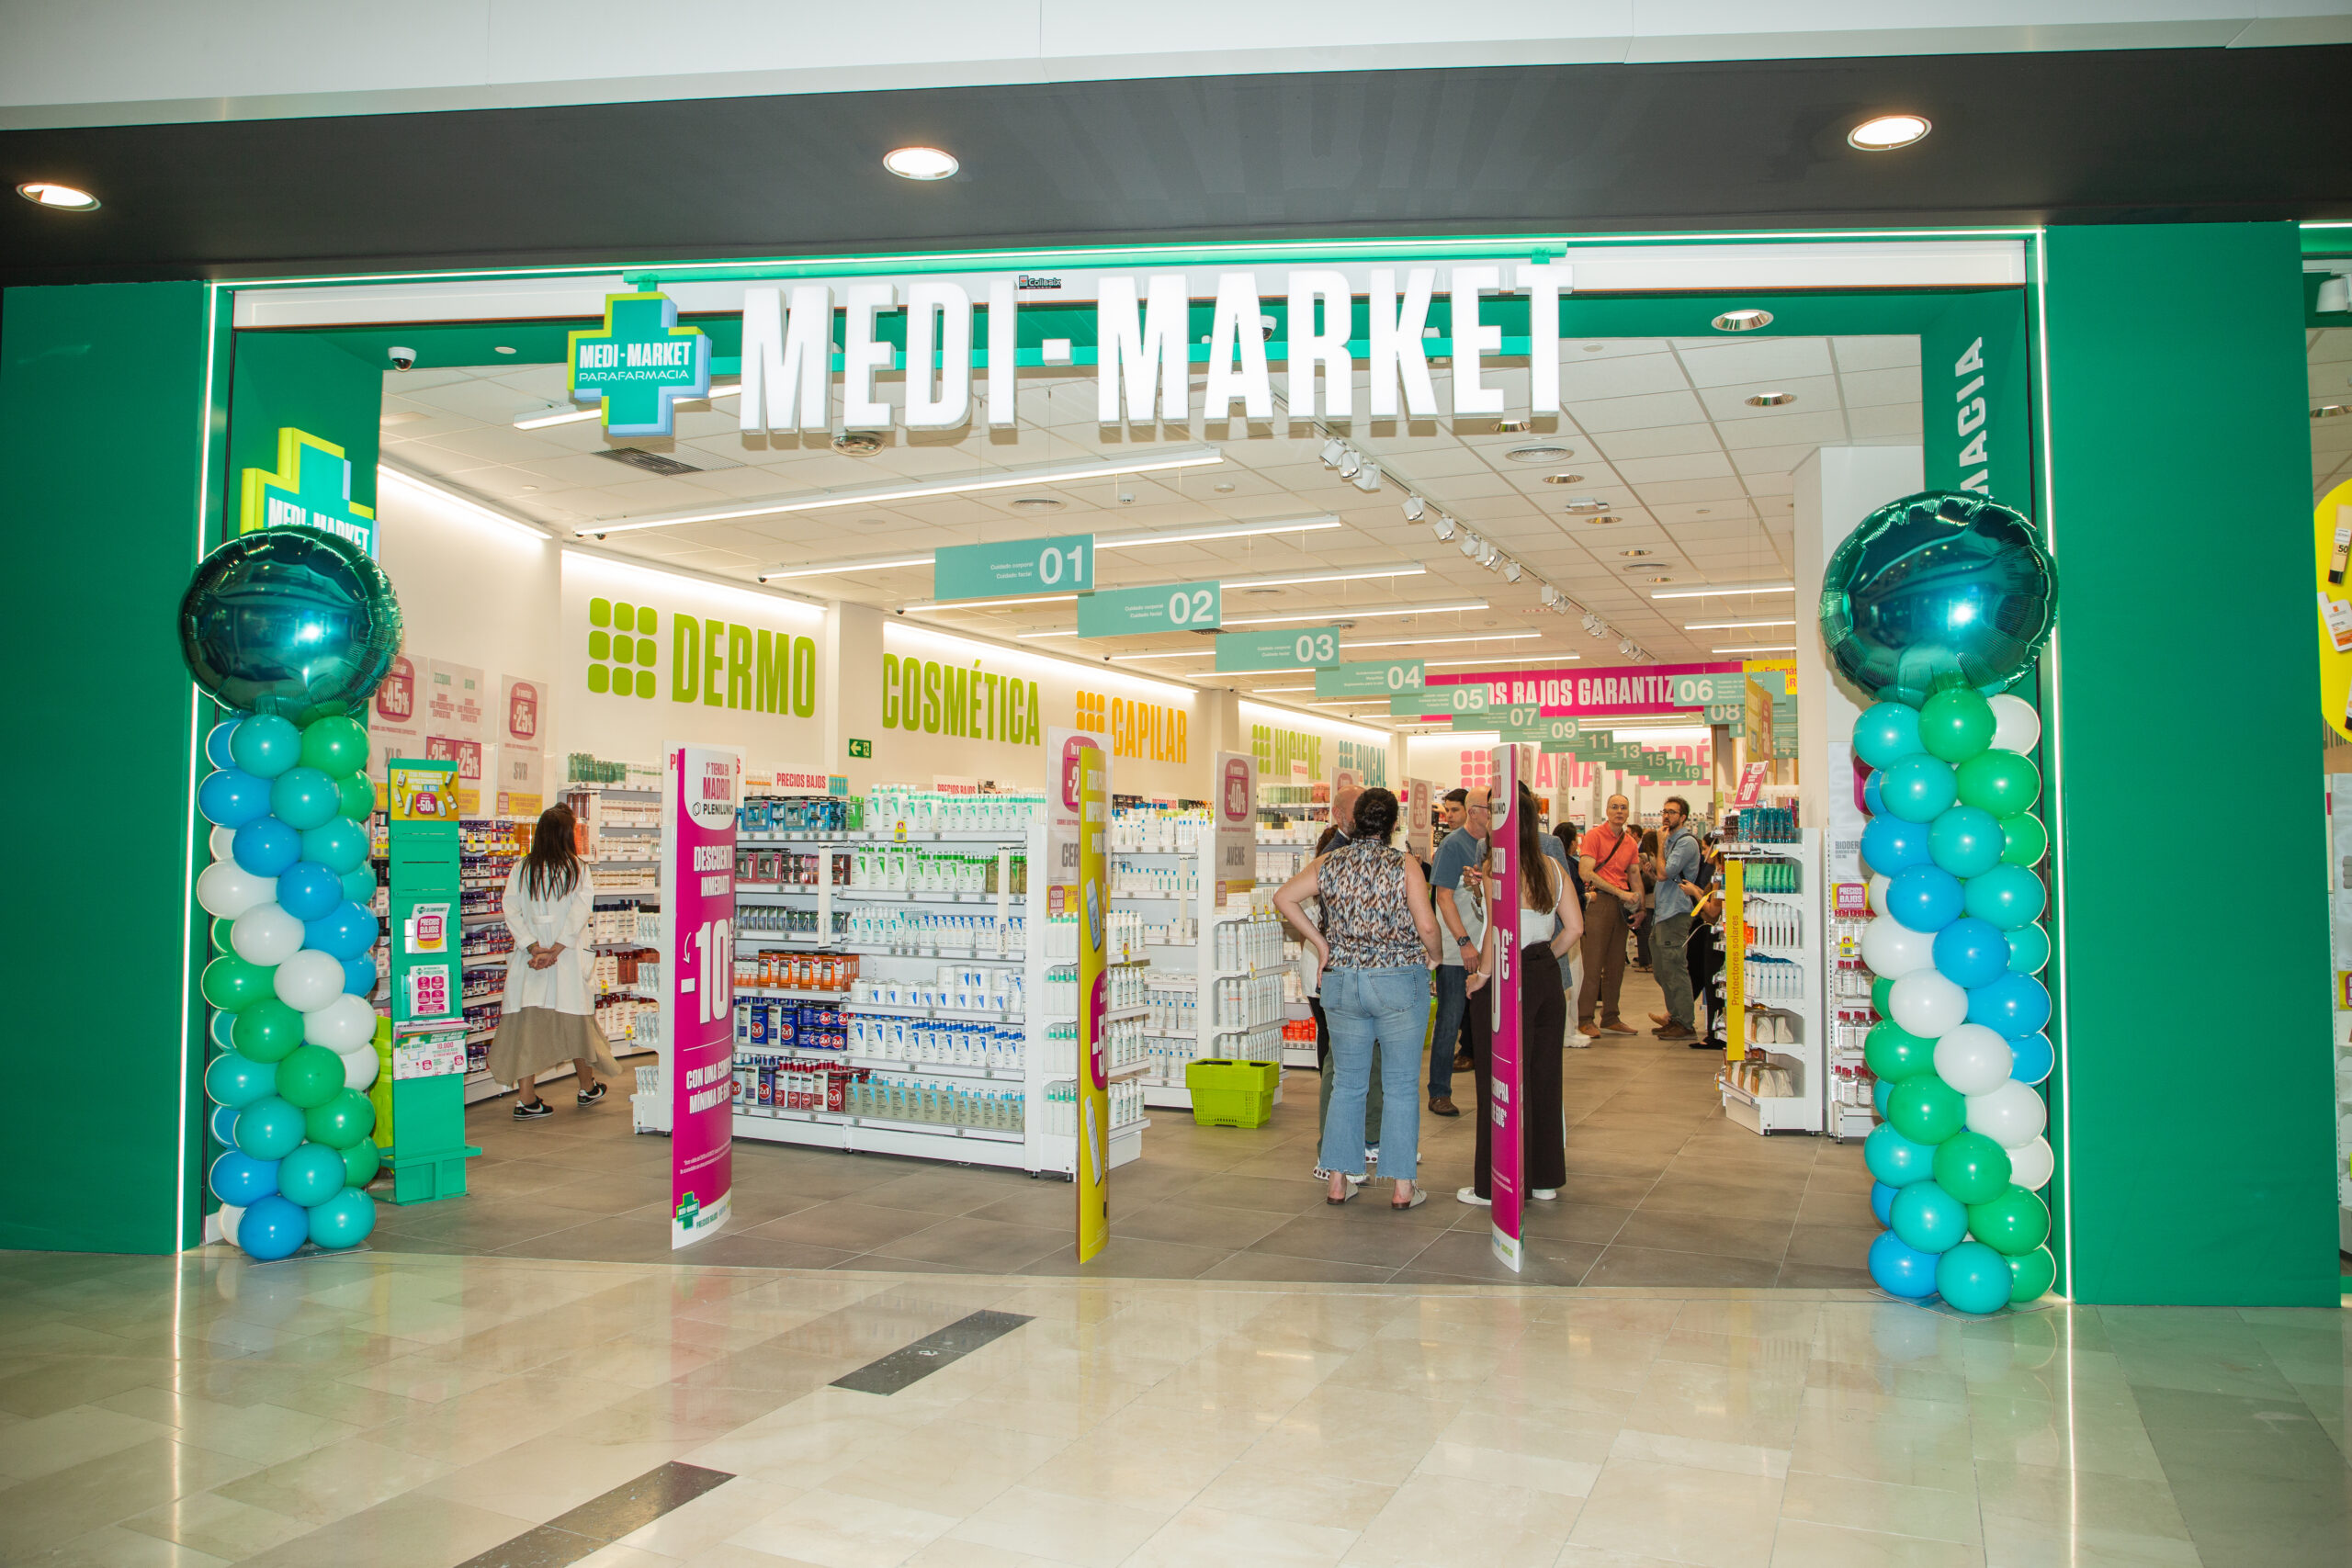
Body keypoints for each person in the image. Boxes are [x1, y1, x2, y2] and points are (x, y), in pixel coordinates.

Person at [1273, 788, 1441, 1210]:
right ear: (1393, 825)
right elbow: (1427, 924)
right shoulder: (1405, 866)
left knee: (1347, 1082)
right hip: (1398, 980)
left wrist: (1320, 941)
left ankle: (1337, 1180)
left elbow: (1283, 897)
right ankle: (1402, 1188)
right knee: (1401, 1086)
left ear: (1355, 821)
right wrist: (1434, 958)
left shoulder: (1330, 861)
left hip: (1342, 982)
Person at [1459, 782, 1580, 1207]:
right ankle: (1544, 1177)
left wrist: (1482, 977)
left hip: (1509, 979)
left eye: (1496, 815)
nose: (1489, 821)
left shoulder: (1499, 867)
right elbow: (1576, 928)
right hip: (1545, 976)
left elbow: (1496, 931)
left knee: (1501, 1082)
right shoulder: (1553, 866)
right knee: (1545, 1076)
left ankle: (1496, 1185)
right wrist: (1545, 956)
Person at [486, 803, 621, 1119]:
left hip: (530, 964)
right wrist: (555, 951)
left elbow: (512, 910)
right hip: (566, 962)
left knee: (528, 1030)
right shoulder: (577, 870)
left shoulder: (522, 869)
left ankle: (527, 1098)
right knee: (575, 1026)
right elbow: (577, 916)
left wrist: (534, 948)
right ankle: (587, 1087)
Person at [1293, 789, 1380, 1178]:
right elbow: (1292, 900)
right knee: (1338, 1063)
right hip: (1336, 975)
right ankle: (1333, 1149)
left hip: (1347, 975)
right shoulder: (1333, 852)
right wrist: (1322, 941)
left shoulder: (1357, 851)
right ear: (1340, 815)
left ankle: (1361, 1144)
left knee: (1354, 1062)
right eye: (1354, 810)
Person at [1425, 787, 1492, 1117]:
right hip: (1457, 951)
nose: (1493, 813)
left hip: (1487, 948)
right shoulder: (1454, 846)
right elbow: (1444, 898)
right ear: (1474, 811)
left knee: (1486, 1022)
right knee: (1449, 1022)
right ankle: (1439, 1091)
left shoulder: (1493, 845)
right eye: (1488, 807)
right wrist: (1464, 943)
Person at [1577, 794, 1645, 1036]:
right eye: (1614, 806)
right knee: (1592, 966)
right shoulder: (1594, 836)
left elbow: (1635, 875)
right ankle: (1585, 1018)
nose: (1619, 811)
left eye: (1623, 807)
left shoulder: (1629, 843)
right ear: (1607, 810)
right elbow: (1586, 872)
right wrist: (1620, 893)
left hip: (1621, 907)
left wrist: (1641, 908)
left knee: (1617, 966)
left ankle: (1611, 1016)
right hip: (1598, 903)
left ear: (1628, 812)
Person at [1647, 796, 1707, 1042]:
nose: (1666, 816)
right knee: (1661, 970)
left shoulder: (1685, 843)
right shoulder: (1671, 841)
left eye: (1672, 812)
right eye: (1664, 811)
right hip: (1662, 912)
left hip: (1676, 913)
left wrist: (1660, 847)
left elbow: (1664, 873)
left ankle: (1685, 1022)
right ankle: (1675, 1016)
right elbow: (1660, 876)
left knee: (1674, 968)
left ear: (1683, 817)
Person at [1632, 828, 1660, 970]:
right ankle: (1652, 960)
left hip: (1646, 899)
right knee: (1652, 932)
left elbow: (1634, 876)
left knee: (1643, 932)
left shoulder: (1643, 857)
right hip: (1657, 899)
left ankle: (1645, 962)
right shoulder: (1660, 858)